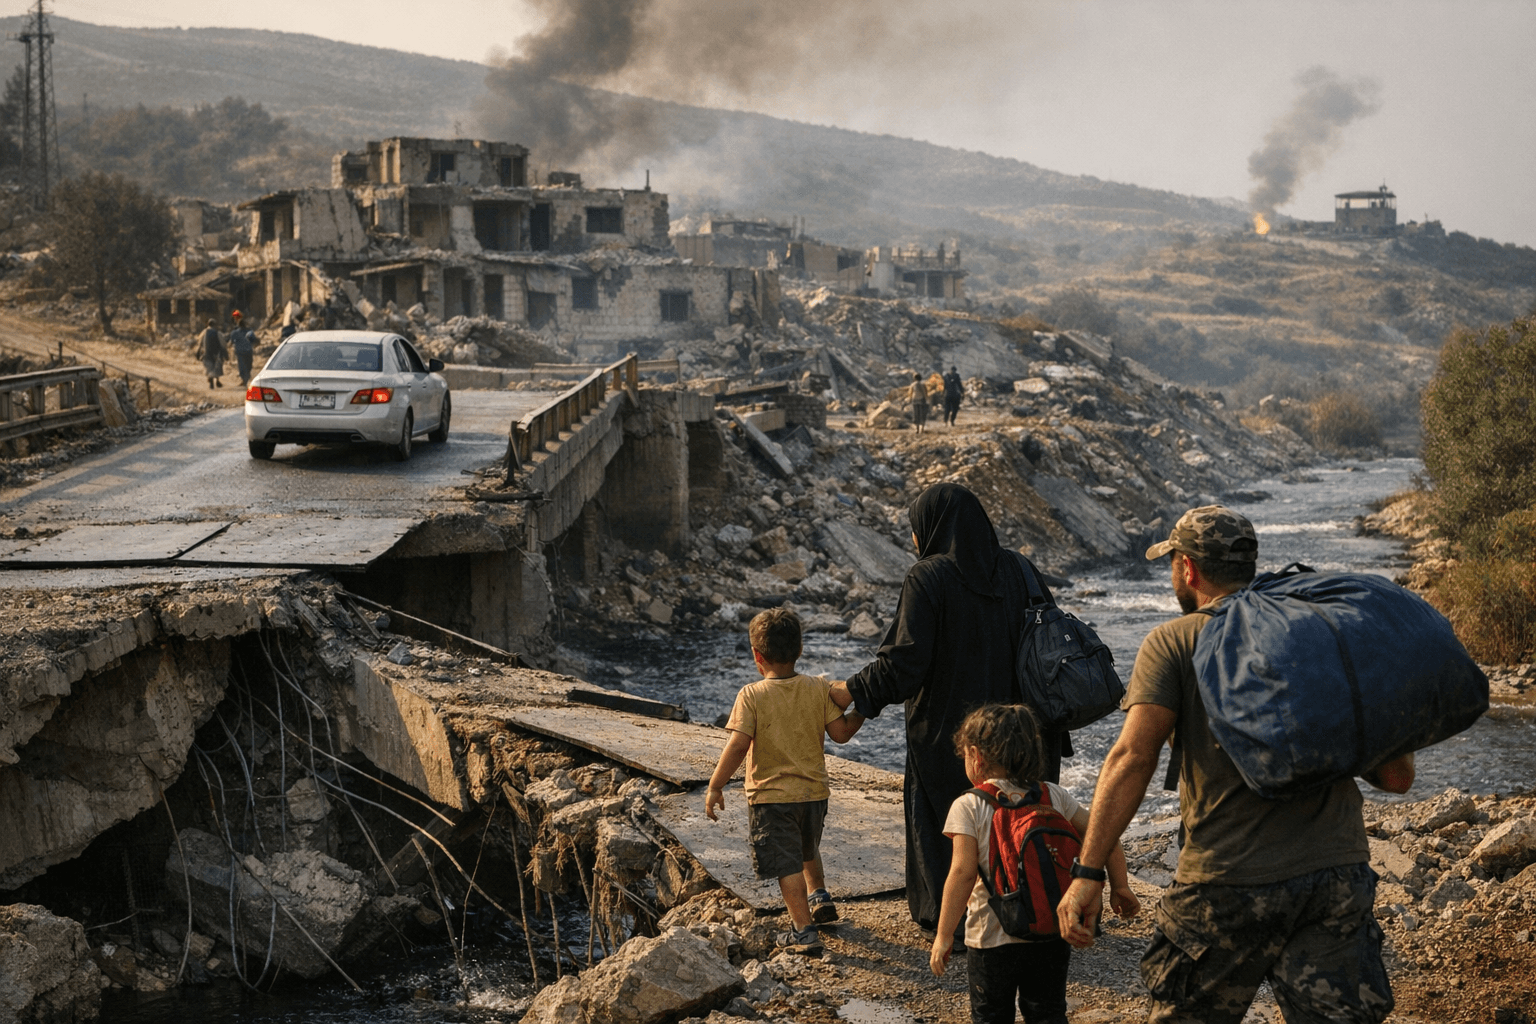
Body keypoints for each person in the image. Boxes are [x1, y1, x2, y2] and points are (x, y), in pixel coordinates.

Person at [1056, 506, 1415, 1024]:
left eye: (1173, 563)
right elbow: (1397, 779)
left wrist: (1089, 873)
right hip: (1335, 877)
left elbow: (1132, 757)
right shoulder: (1316, 635)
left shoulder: (1174, 641)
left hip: (1225, 882)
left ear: (1187, 569)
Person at [830, 482, 1068, 934]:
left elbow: (903, 664)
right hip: (1024, 731)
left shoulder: (929, 576)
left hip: (951, 739)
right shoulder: (1021, 569)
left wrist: (849, 693)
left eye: (916, 530)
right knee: (1017, 819)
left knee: (951, 826)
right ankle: (1027, 907)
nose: (915, 541)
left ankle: (952, 924)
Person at [932, 703, 1139, 1024]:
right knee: (1047, 1013)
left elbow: (960, 873)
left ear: (976, 756)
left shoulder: (968, 805)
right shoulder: (1054, 796)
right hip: (1050, 931)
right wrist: (1120, 886)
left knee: (991, 1016)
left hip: (991, 938)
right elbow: (1105, 835)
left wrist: (944, 934)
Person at [706, 607, 863, 954]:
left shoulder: (751, 695)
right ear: (800, 650)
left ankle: (803, 930)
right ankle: (819, 894)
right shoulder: (817, 688)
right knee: (807, 847)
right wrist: (865, 705)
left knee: (787, 862)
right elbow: (842, 733)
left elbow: (738, 744)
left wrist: (716, 784)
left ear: (756, 656)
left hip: (772, 797)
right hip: (814, 795)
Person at [229, 311, 257, 387]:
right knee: (248, 365)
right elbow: (254, 340)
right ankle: (245, 379)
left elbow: (231, 342)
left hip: (240, 352)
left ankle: (245, 379)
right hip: (248, 351)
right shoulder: (249, 331)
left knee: (242, 365)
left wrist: (230, 346)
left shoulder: (235, 332)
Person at [196, 317, 225, 389]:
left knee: (209, 368)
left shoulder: (204, 332)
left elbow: (199, 342)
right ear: (214, 325)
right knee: (217, 367)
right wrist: (224, 352)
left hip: (206, 353)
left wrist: (198, 351)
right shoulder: (218, 332)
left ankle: (211, 382)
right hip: (216, 353)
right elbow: (222, 343)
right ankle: (217, 381)